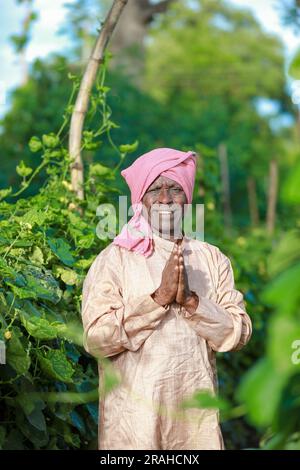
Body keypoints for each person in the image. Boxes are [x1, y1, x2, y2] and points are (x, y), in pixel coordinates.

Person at [81, 147, 252, 450]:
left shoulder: (211, 259)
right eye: (155, 189)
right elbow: (96, 340)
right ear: (139, 200)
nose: (165, 199)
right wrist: (158, 299)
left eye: (174, 188)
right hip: (133, 426)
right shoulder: (115, 260)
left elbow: (237, 334)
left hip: (195, 427)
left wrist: (191, 302)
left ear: (186, 198)